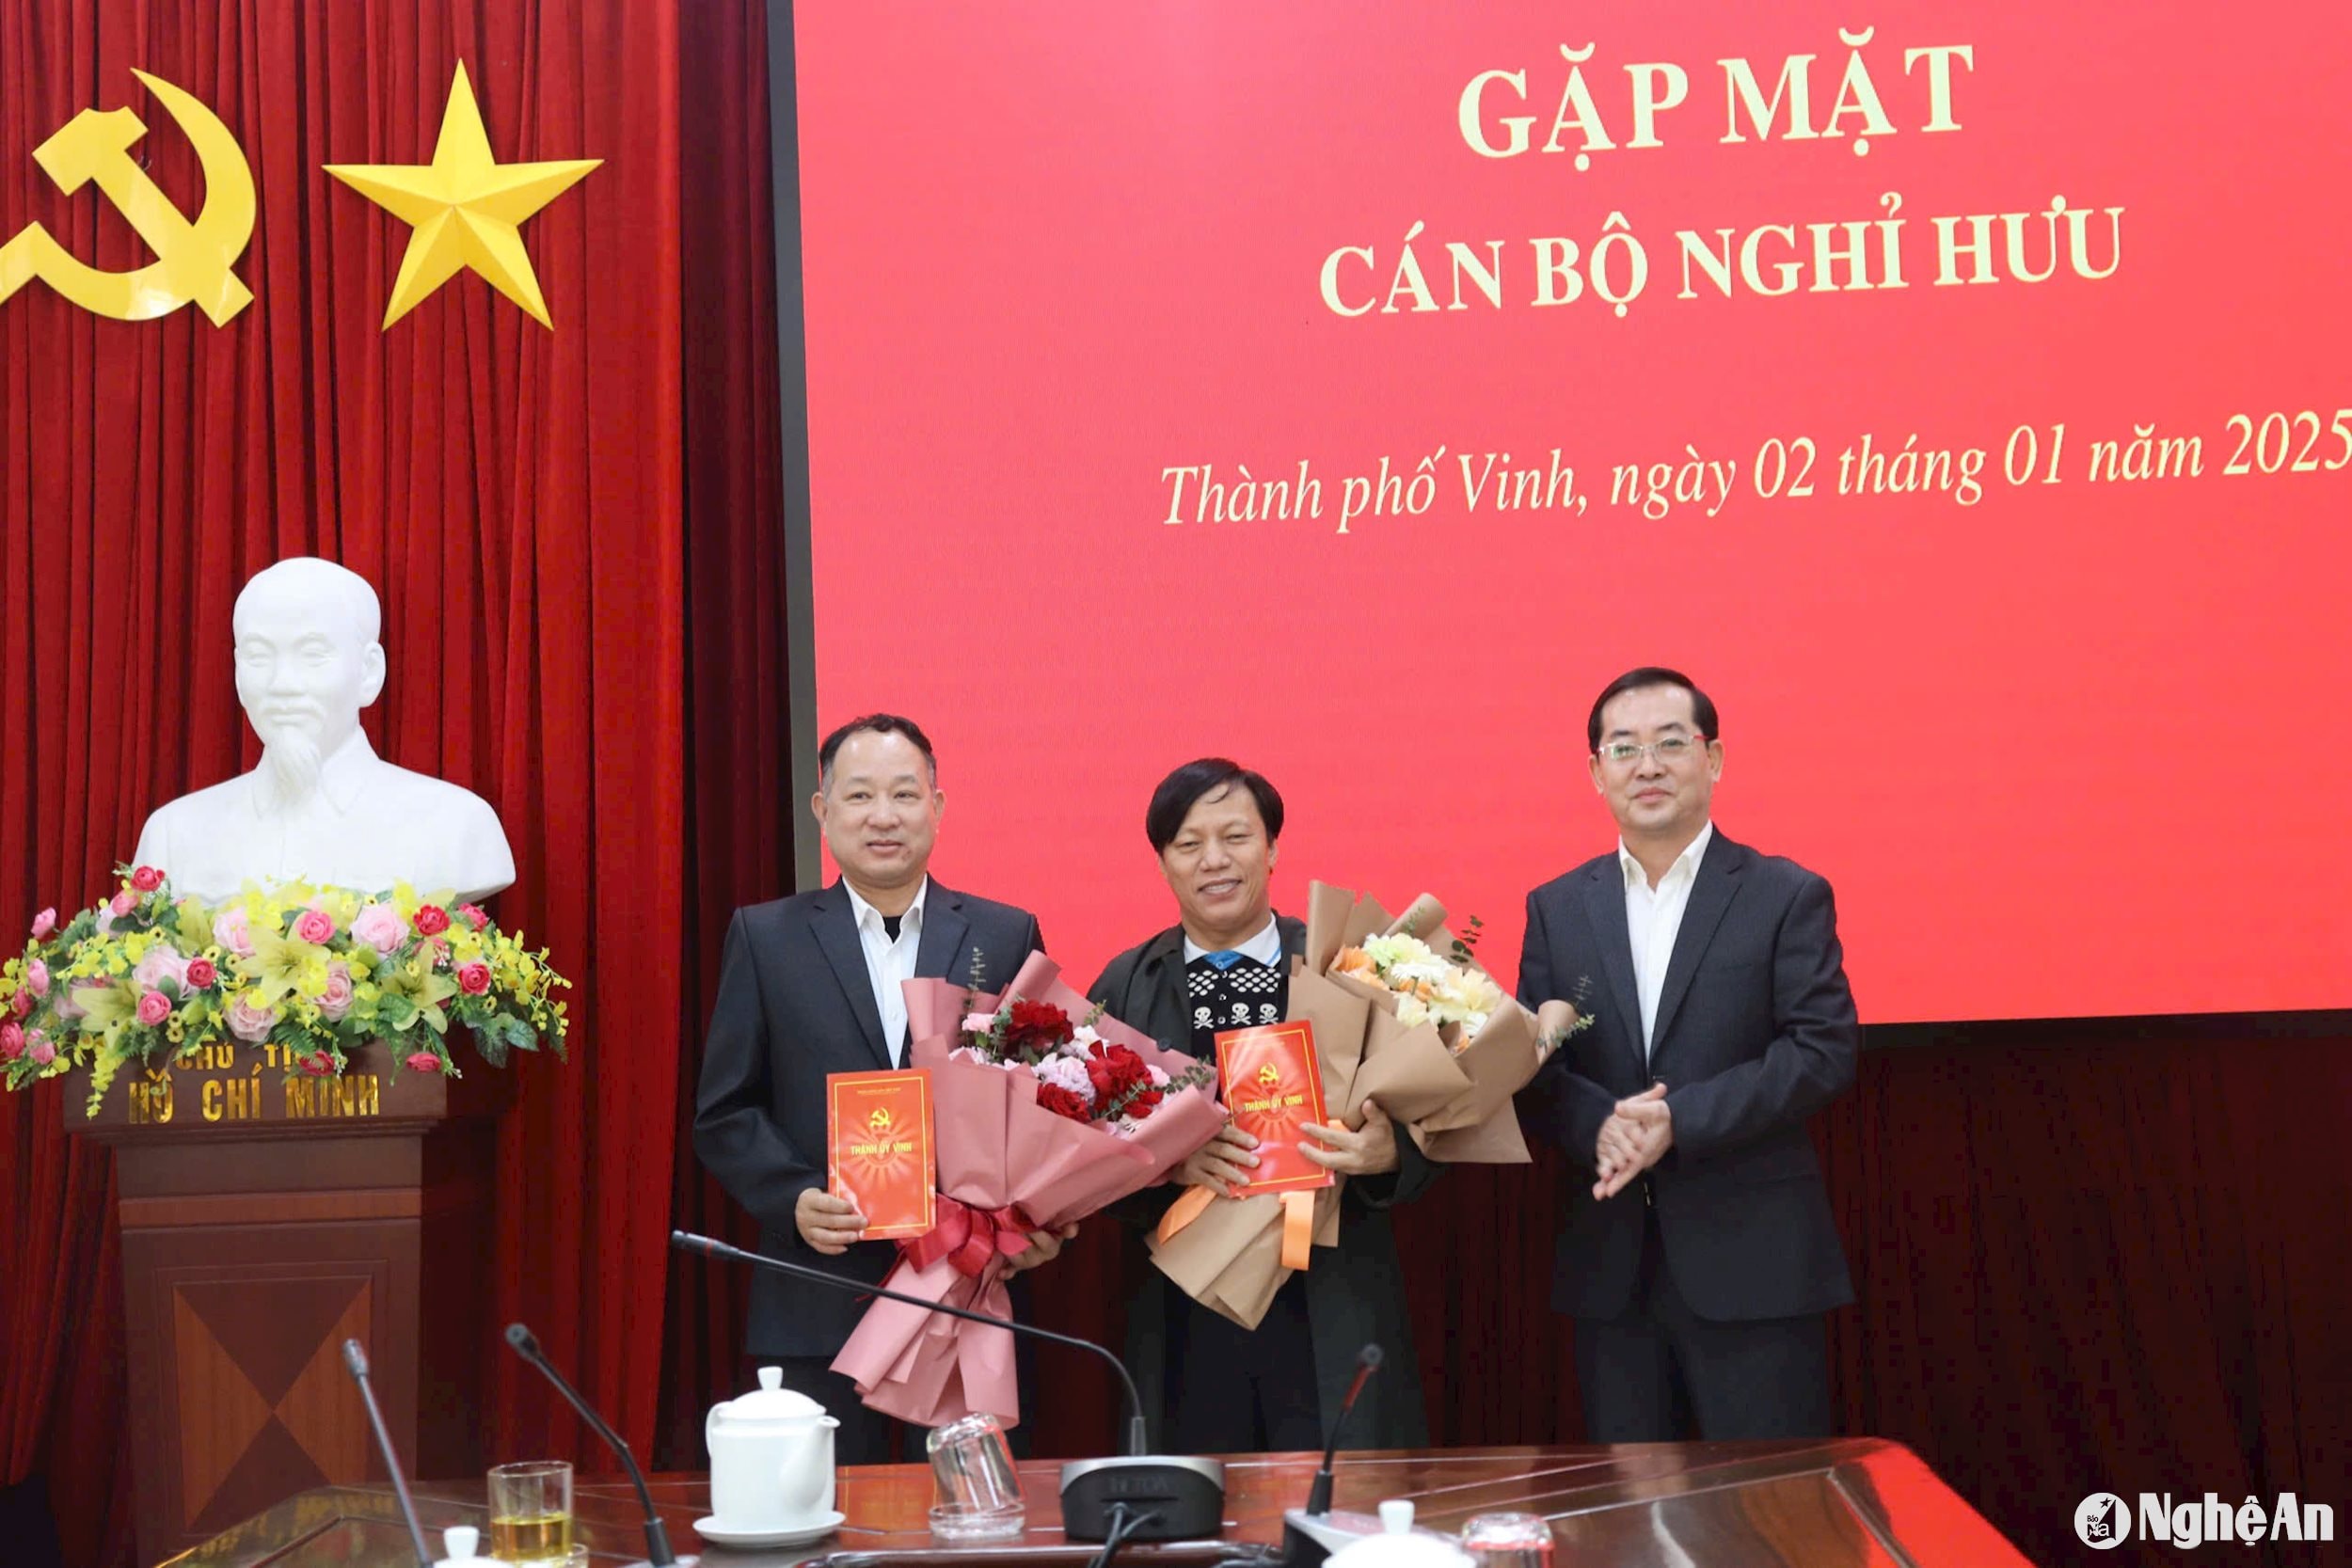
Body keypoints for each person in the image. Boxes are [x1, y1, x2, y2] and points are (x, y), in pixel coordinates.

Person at [693, 714, 1065, 1462]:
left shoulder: (1004, 933)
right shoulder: (766, 937)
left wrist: (1037, 1215)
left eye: (904, 793)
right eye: (860, 795)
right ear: (822, 808)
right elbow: (726, 1109)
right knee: (829, 1510)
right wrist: (794, 1197)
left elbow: (1048, 1099)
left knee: (971, 1512)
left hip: (969, 1290)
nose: (883, 816)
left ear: (938, 805)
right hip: (819, 1291)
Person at [1517, 668, 1858, 1441]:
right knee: (1630, 1502)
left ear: (1715, 758)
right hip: (1610, 1270)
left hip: (1755, 1265)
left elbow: (1823, 1050)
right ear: (1596, 771)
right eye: (1624, 748)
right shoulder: (1558, 907)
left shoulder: (1784, 893)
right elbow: (1536, 1068)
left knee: (1765, 1498)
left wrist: (1679, 1119)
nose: (1648, 765)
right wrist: (1602, 1124)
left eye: (1671, 743)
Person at [1089, 758, 1435, 1453]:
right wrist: (1166, 1164)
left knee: (1339, 1498)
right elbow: (1085, 1154)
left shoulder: (1348, 965)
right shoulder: (1125, 984)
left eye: (1236, 837)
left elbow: (1440, 1111)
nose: (1214, 860)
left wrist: (1392, 1151)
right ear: (1162, 863)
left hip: (1328, 1299)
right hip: (1185, 1312)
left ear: (1272, 848)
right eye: (1189, 843)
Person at [133, 557, 514, 902]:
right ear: (237, 674)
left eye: (313, 655)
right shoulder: (173, 835)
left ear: (369, 672)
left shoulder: (455, 826)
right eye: (258, 656)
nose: (282, 684)